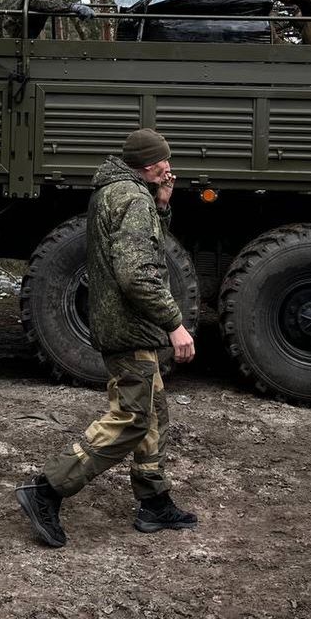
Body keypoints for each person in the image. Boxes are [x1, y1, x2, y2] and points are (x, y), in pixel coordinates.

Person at [15, 129, 197, 548]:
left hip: (120, 323)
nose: (170, 167)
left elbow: (138, 245)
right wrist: (174, 323)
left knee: (152, 411)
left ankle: (154, 503)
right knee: (132, 417)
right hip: (130, 326)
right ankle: (46, 489)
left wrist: (163, 206)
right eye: (165, 161)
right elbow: (137, 272)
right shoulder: (132, 199)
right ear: (150, 165)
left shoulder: (118, 192)